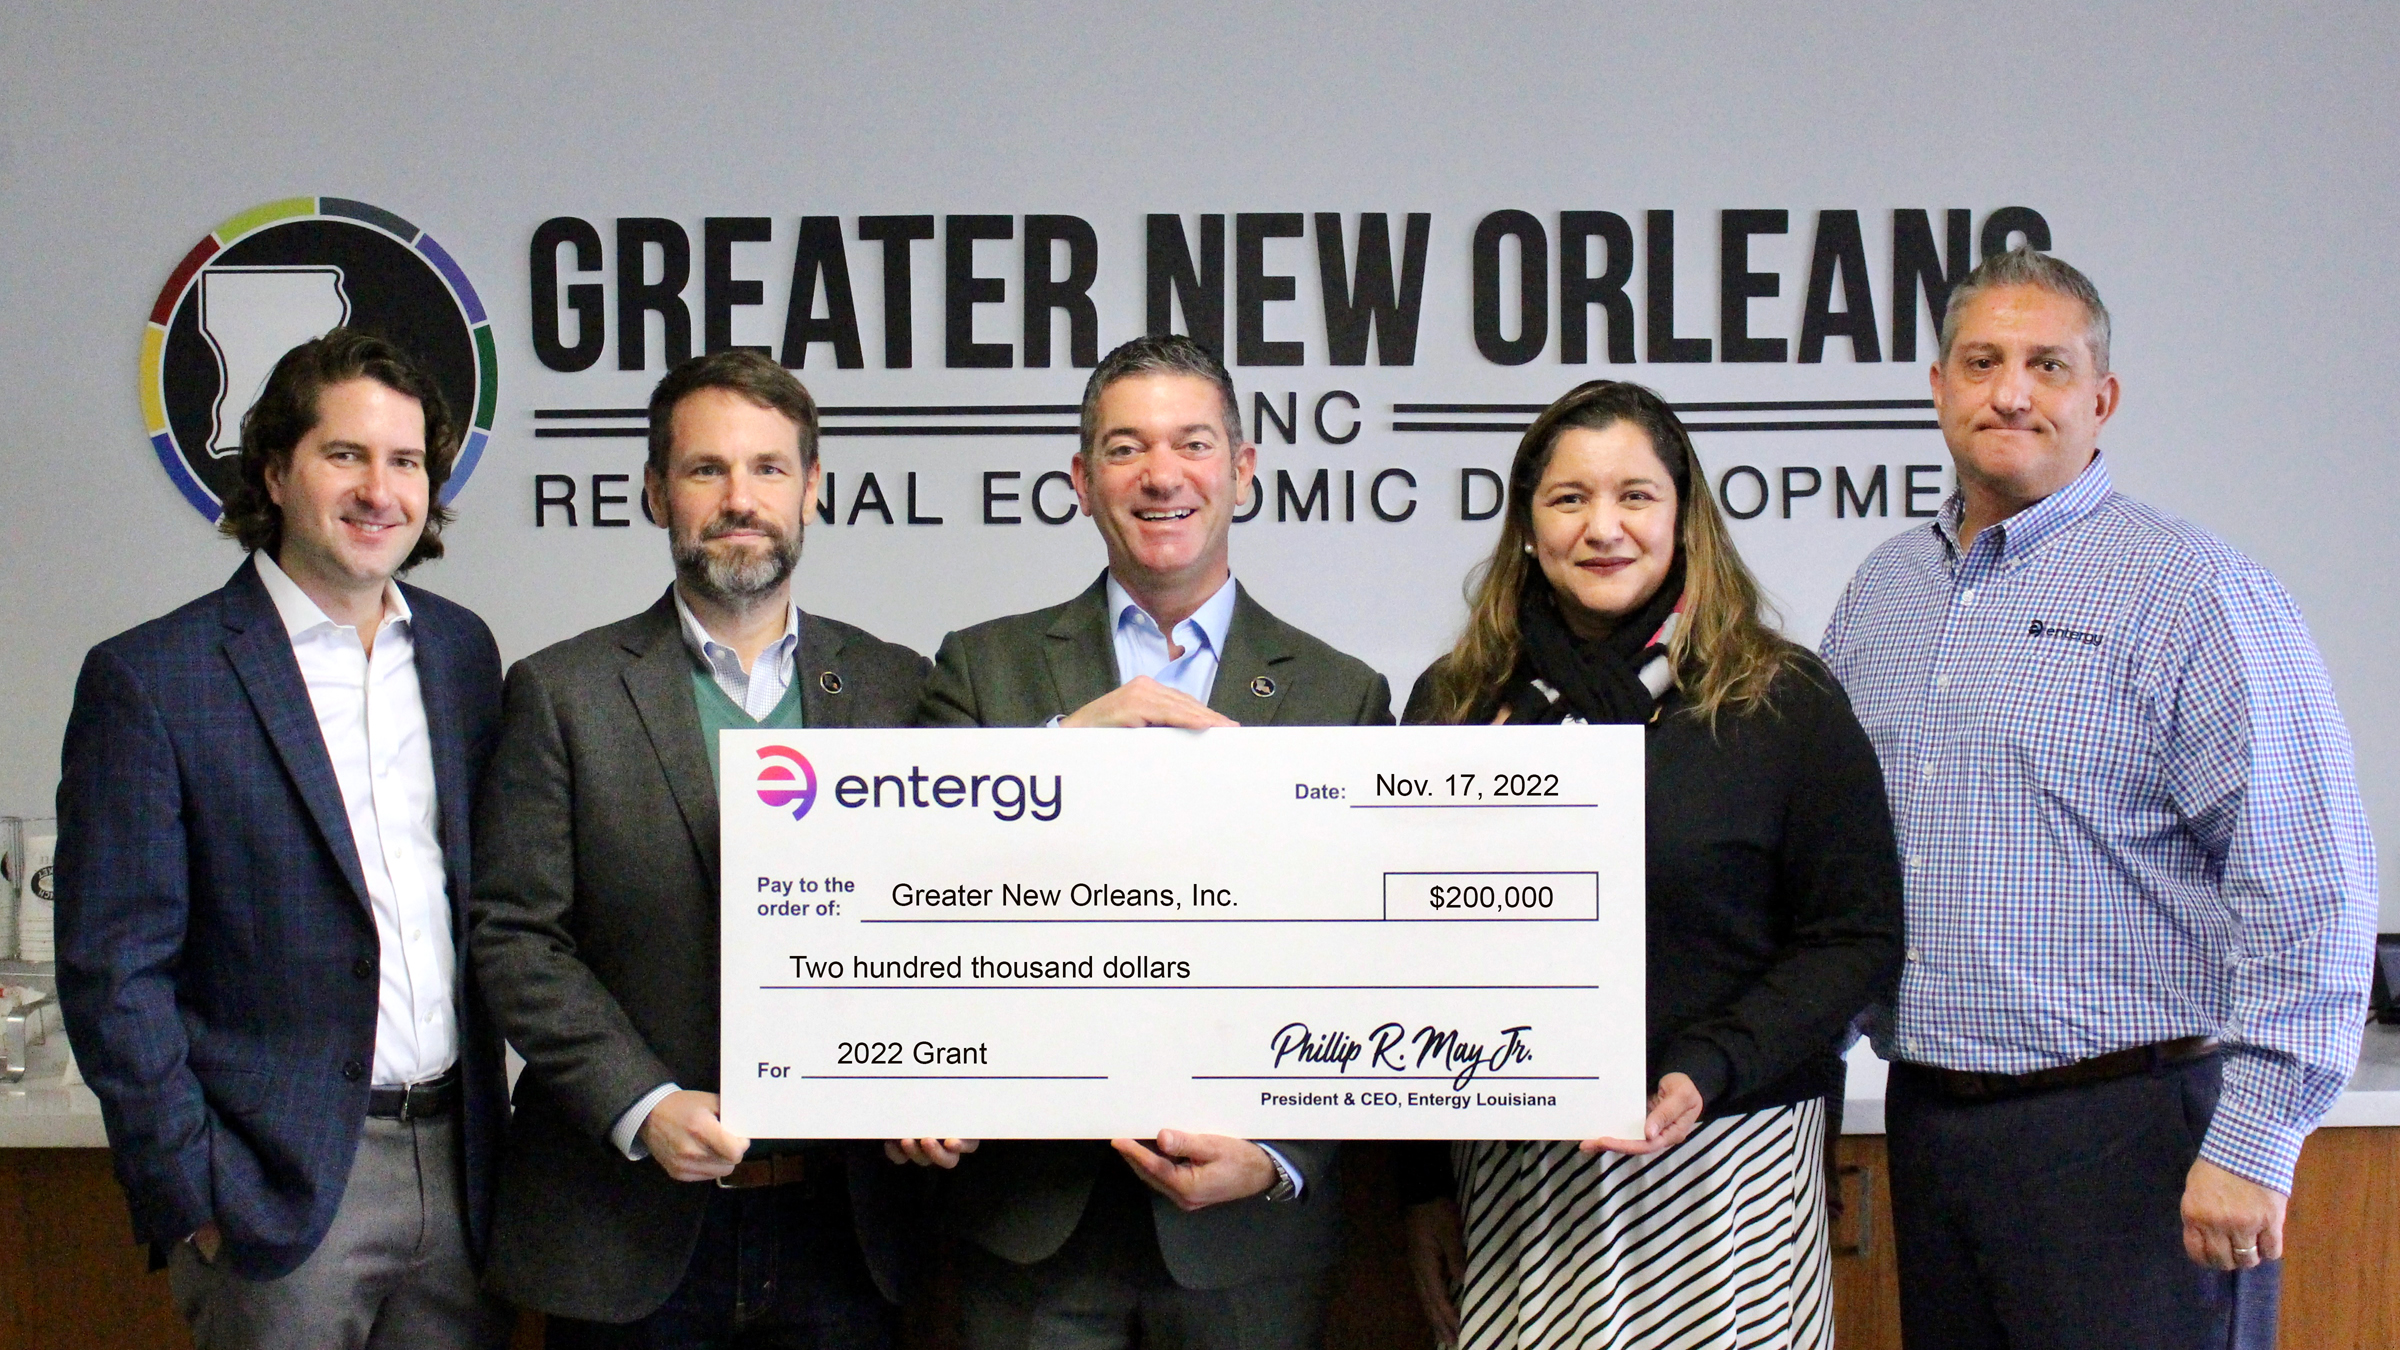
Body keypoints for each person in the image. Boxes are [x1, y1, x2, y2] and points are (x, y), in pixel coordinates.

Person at [1820, 247, 2376, 1348]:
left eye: (2048, 365)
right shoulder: (1883, 592)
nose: (2011, 392)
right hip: (1936, 1127)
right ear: (1938, 386)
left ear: (2102, 397)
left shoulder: (2195, 589)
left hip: (2136, 1141)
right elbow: (1837, 859)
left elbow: (2312, 883)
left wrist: (2254, 1142)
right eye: (1980, 361)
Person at [1398, 379, 1904, 1349]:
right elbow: (1413, 955)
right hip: (1522, 1187)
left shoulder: (1781, 700)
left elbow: (1856, 939)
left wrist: (1708, 1067)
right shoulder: (1458, 703)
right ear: (1528, 524)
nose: (1604, 526)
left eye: (1635, 495)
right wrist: (1424, 1185)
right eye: (1569, 498)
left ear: (1684, 516)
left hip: (1731, 1170)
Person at [913, 333, 1393, 1350]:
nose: (1162, 475)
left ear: (1244, 469)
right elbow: (916, 886)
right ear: (1083, 482)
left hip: (1245, 1236)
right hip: (1033, 1220)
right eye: (1126, 449)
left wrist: (1277, 1154)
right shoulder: (980, 669)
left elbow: (1366, 964)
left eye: (1193, 444)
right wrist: (1050, 757)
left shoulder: (1339, 695)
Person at [55, 329, 509, 1348]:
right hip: (275, 1190)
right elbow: (112, 968)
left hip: (464, 1168)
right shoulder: (154, 679)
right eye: (344, 455)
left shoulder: (459, 652)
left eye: (406, 462)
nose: (379, 490)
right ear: (274, 469)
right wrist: (193, 1194)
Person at [468, 350, 929, 1346]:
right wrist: (640, 1100)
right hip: (627, 1227)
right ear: (654, 492)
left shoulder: (902, 691)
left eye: (768, 469)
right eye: (705, 470)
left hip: (843, 1231)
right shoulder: (563, 693)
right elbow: (514, 936)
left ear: (814, 489)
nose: (738, 499)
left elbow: (943, 918)